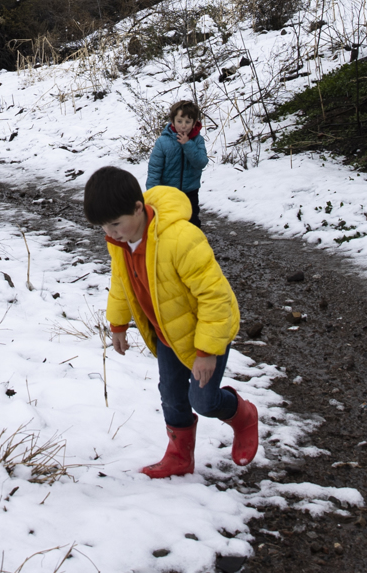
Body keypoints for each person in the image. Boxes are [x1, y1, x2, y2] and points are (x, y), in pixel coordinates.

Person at [84, 165, 258, 478]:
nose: (110, 233)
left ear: (138, 208)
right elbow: (122, 280)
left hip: (207, 331)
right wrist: (119, 325)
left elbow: (214, 297)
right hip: (166, 332)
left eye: (115, 224)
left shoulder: (181, 239)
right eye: (103, 227)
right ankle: (179, 456)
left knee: (203, 400)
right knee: (172, 396)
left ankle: (242, 415)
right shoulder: (120, 242)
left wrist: (206, 352)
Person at [146, 99, 209, 227]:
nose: (183, 125)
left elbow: (201, 162)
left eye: (188, 122)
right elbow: (155, 169)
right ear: (173, 121)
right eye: (179, 121)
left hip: (190, 190)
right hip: (168, 191)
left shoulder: (197, 140)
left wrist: (188, 144)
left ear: (194, 123)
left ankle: (192, 243)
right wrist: (152, 193)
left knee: (191, 220)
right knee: (169, 221)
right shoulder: (163, 142)